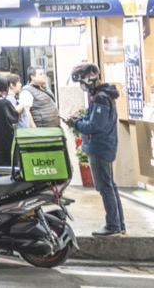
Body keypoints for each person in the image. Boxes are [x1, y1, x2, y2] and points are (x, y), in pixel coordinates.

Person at [68, 62, 125, 236]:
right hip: (104, 146)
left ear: (90, 77)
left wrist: (75, 123)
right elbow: (93, 119)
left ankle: (113, 225)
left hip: (100, 147)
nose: (81, 86)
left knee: (105, 187)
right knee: (110, 186)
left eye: (82, 82)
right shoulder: (101, 95)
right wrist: (79, 119)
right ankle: (118, 224)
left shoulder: (101, 97)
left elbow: (94, 125)